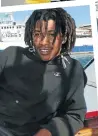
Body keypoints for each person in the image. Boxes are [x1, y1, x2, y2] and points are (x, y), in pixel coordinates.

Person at [0, 8, 87, 136]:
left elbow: (75, 114)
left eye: (51, 34)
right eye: (37, 34)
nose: (43, 42)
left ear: (63, 37)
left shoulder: (72, 70)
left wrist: (48, 131)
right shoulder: (10, 54)